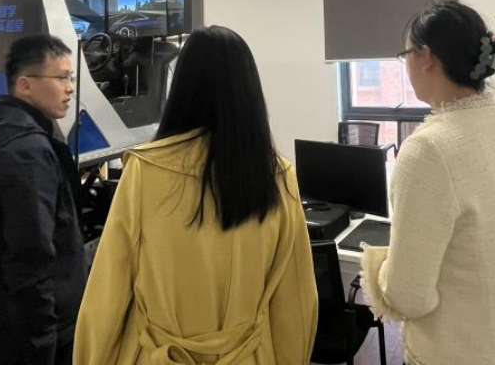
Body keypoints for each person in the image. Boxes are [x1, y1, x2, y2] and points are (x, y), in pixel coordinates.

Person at [73, 25, 318, 364]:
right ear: (250, 90)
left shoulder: (145, 170)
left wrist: (91, 357)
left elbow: (108, 288)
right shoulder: (278, 176)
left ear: (182, 86)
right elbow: (296, 297)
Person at [361, 0, 495, 365]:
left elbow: (408, 295)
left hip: (464, 351)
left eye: (405, 55)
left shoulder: (426, 149)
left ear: (425, 57)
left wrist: (379, 267)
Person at [0, 34, 86, 365]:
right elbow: (30, 257)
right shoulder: (26, 152)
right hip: (32, 334)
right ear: (25, 85)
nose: (70, 88)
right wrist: (43, 340)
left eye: (71, 78)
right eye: (62, 78)